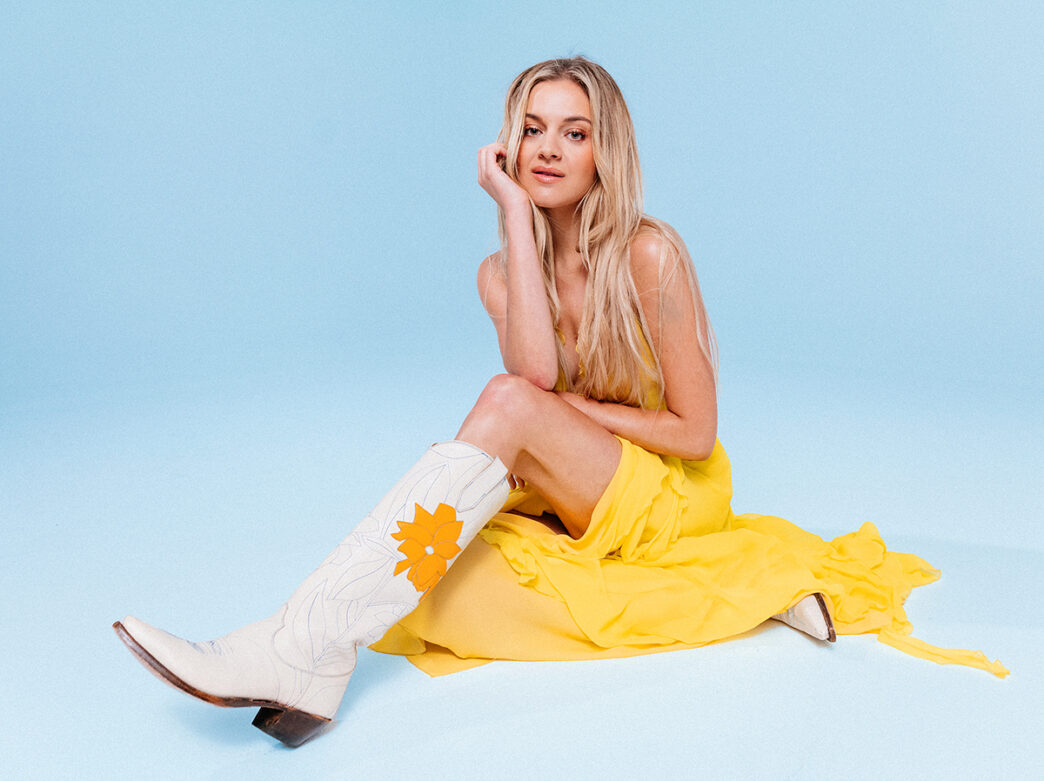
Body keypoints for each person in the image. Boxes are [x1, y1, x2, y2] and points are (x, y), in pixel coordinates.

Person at [113, 57, 1005, 749]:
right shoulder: (498, 274)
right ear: (507, 144)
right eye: (531, 130)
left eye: (572, 134)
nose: (547, 149)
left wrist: (567, 422)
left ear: (602, 152)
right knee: (440, 590)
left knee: (503, 409)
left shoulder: (650, 257)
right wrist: (510, 213)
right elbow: (539, 374)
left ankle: (299, 645)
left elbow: (690, 430)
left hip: (669, 493)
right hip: (573, 491)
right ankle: (313, 640)